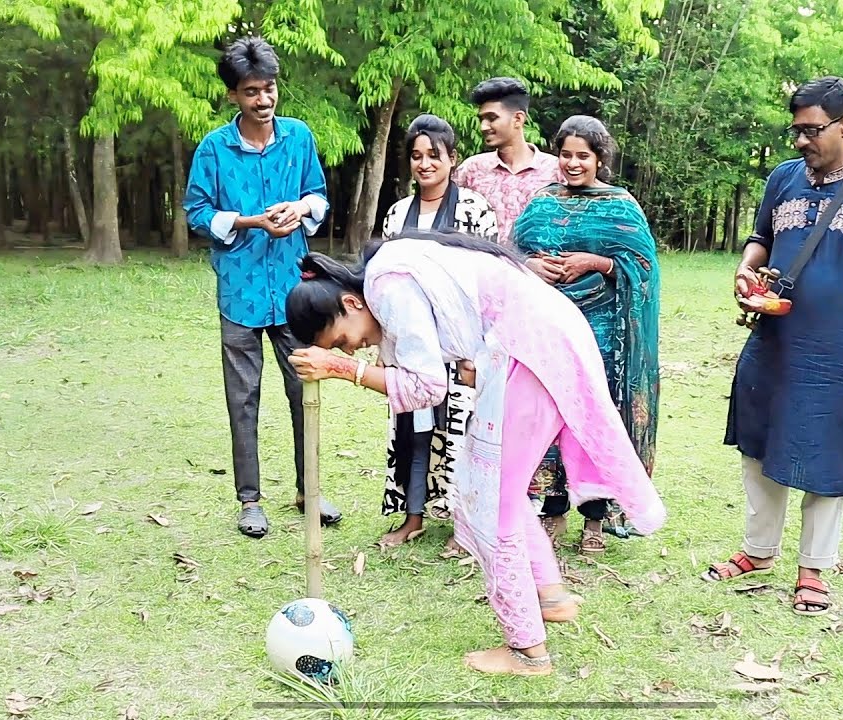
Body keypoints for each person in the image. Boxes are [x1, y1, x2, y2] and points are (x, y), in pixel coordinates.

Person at [283, 230, 667, 676]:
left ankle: (528, 650)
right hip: (535, 345)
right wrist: (352, 364)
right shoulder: (386, 273)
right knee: (496, 487)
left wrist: (344, 369)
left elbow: (426, 386)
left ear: (350, 304)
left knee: (492, 502)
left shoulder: (387, 286)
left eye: (342, 339)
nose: (354, 347)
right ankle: (550, 596)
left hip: (532, 351)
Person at [704, 77, 843, 617]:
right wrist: (747, 268)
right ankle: (758, 551)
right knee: (757, 440)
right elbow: (761, 238)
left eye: (811, 130)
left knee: (830, 452)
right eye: (795, 130)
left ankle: (814, 568)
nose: (800, 141)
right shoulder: (783, 179)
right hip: (772, 340)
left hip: (838, 351)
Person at [183, 35, 342, 538]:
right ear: (234, 95)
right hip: (240, 292)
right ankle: (249, 500)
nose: (263, 100)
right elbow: (197, 212)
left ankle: (309, 491)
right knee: (243, 399)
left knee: (305, 390)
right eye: (252, 92)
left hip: (296, 291)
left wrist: (300, 209)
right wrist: (251, 221)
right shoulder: (214, 148)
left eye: (269, 89)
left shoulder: (299, 138)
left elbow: (318, 196)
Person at [513, 116, 660, 555]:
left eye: (583, 156)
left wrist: (594, 263)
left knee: (595, 418)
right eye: (566, 155)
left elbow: (644, 269)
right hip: (548, 330)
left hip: (603, 333)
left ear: (600, 159)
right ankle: (553, 508)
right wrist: (532, 266)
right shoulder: (540, 202)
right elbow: (512, 254)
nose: (573, 164)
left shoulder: (620, 206)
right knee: (551, 417)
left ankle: (594, 518)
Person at [376, 115, 498, 548]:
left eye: (434, 155)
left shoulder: (473, 210)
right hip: (412, 343)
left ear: (452, 158)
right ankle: (414, 517)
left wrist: (477, 351)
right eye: (416, 156)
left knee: (464, 433)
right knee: (414, 429)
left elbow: (488, 280)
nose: (425, 164)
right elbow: (387, 284)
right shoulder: (397, 214)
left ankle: (465, 524)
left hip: (462, 344)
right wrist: (385, 347)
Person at [452, 77, 564, 242]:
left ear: (518, 119)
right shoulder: (471, 170)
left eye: (492, 118)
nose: (483, 126)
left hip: (537, 267)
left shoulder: (555, 171)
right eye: (481, 119)